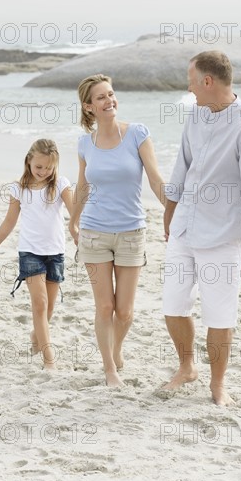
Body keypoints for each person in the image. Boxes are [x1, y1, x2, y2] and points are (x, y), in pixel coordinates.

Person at [162, 51, 241, 405]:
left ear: (207, 81)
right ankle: (187, 367)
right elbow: (182, 169)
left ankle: (217, 384)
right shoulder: (194, 115)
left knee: (219, 315)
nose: (189, 87)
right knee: (173, 305)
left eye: (191, 79)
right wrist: (169, 217)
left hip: (222, 237)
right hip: (183, 230)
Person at [69, 74, 165, 387]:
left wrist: (172, 210)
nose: (109, 101)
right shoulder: (85, 143)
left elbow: (154, 178)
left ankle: (116, 349)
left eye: (111, 94)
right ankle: (109, 369)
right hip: (94, 232)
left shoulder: (137, 133)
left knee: (124, 311)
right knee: (105, 306)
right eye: (101, 97)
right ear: (88, 106)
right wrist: (73, 218)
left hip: (131, 232)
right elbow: (83, 186)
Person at [0, 139, 73, 370]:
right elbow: (10, 221)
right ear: (28, 162)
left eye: (48, 168)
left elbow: (76, 213)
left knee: (50, 308)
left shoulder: (61, 184)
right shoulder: (19, 188)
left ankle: (36, 336)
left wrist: (81, 230)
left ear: (56, 166)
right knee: (40, 304)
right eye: (38, 167)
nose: (43, 172)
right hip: (30, 252)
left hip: (55, 253)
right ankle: (49, 360)